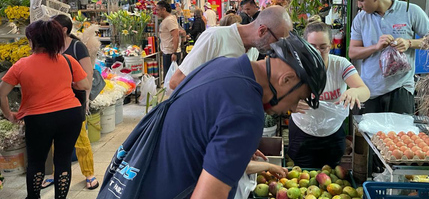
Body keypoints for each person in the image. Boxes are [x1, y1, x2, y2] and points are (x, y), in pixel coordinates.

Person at [98, 33, 327, 199]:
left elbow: (196, 128)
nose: (292, 107)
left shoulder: (221, 65)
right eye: (298, 98)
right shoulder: (246, 112)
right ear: (286, 79)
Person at [0, 20, 89, 199]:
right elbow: (84, 84)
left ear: (33, 40)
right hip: (70, 116)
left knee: (36, 161)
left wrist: (9, 115)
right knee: (63, 161)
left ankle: (33, 197)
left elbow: (1, 93)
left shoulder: (21, 65)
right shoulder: (68, 60)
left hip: (38, 119)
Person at [288, 20, 370, 168]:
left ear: (330, 45)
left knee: (332, 178)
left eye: (323, 47)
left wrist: (355, 91)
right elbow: (275, 97)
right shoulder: (294, 67)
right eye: (312, 47)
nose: (318, 52)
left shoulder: (340, 65)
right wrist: (289, 102)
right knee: (302, 176)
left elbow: (365, 91)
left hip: (333, 133)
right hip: (302, 133)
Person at [349, 0, 429, 114]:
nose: (359, 5)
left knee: (400, 134)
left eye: (361, 0)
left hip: (400, 88)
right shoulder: (360, 19)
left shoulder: (411, 11)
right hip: (370, 89)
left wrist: (409, 43)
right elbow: (353, 53)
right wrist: (375, 47)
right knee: (369, 134)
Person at [38, 14, 99, 190]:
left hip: (74, 100)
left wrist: (86, 100)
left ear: (64, 30)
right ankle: (53, 173)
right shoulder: (49, 46)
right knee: (53, 138)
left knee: (80, 139)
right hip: (52, 99)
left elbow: (87, 75)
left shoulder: (77, 47)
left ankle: (89, 174)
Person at [168, 5, 293, 90]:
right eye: (277, 41)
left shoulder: (254, 50)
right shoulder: (215, 37)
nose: (275, 47)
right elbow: (176, 82)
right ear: (262, 31)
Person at [155, 0, 180, 80]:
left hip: (171, 53)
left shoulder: (169, 20)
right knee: (168, 78)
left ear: (164, 9)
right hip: (167, 52)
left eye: (158, 10)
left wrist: (174, 52)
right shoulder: (166, 20)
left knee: (170, 78)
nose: (156, 12)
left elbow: (175, 36)